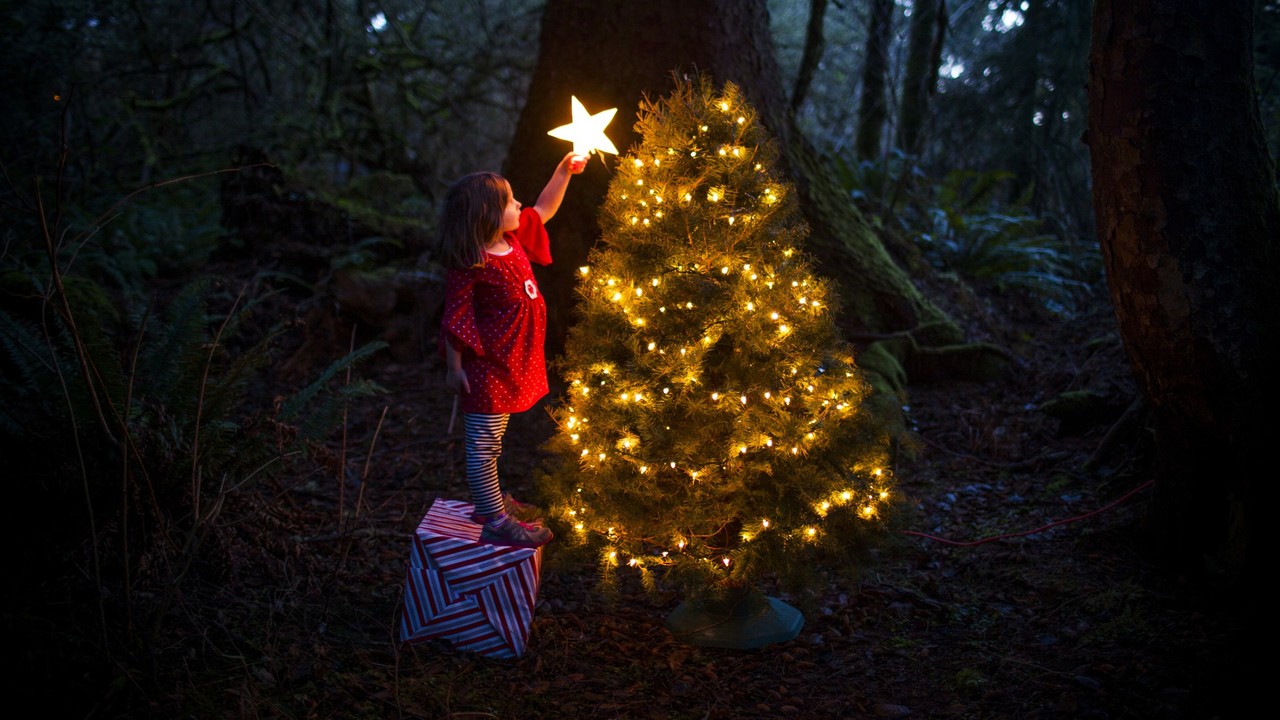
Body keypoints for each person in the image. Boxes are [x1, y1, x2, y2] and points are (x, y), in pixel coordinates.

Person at [438, 152, 588, 548]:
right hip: (489, 367)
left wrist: (563, 171)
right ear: (485, 215)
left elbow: (545, 207)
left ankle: (491, 502)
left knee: (494, 441)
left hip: (514, 360)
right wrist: (455, 368)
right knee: (483, 447)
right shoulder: (471, 262)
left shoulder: (513, 238)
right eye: (508, 202)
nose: (518, 205)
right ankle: (494, 519)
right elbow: (456, 318)